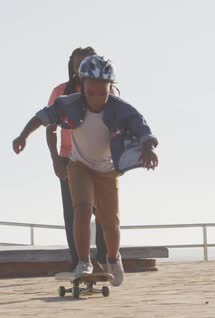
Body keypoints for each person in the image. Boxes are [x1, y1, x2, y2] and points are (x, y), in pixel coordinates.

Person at [13, 55, 159, 286]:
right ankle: (83, 261)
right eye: (91, 92)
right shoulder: (68, 104)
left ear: (110, 88)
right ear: (83, 87)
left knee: (109, 221)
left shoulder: (121, 109)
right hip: (79, 165)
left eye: (103, 93)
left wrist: (149, 148)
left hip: (107, 170)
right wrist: (23, 136)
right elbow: (42, 118)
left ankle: (113, 257)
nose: (96, 99)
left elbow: (141, 127)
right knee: (81, 210)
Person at [46, 47, 118, 270]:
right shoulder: (61, 92)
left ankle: (106, 259)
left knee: (106, 214)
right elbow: (50, 127)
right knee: (77, 213)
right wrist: (56, 160)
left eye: (85, 64)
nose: (80, 70)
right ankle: (79, 261)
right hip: (71, 159)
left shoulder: (108, 90)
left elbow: (118, 125)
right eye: (77, 66)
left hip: (102, 161)